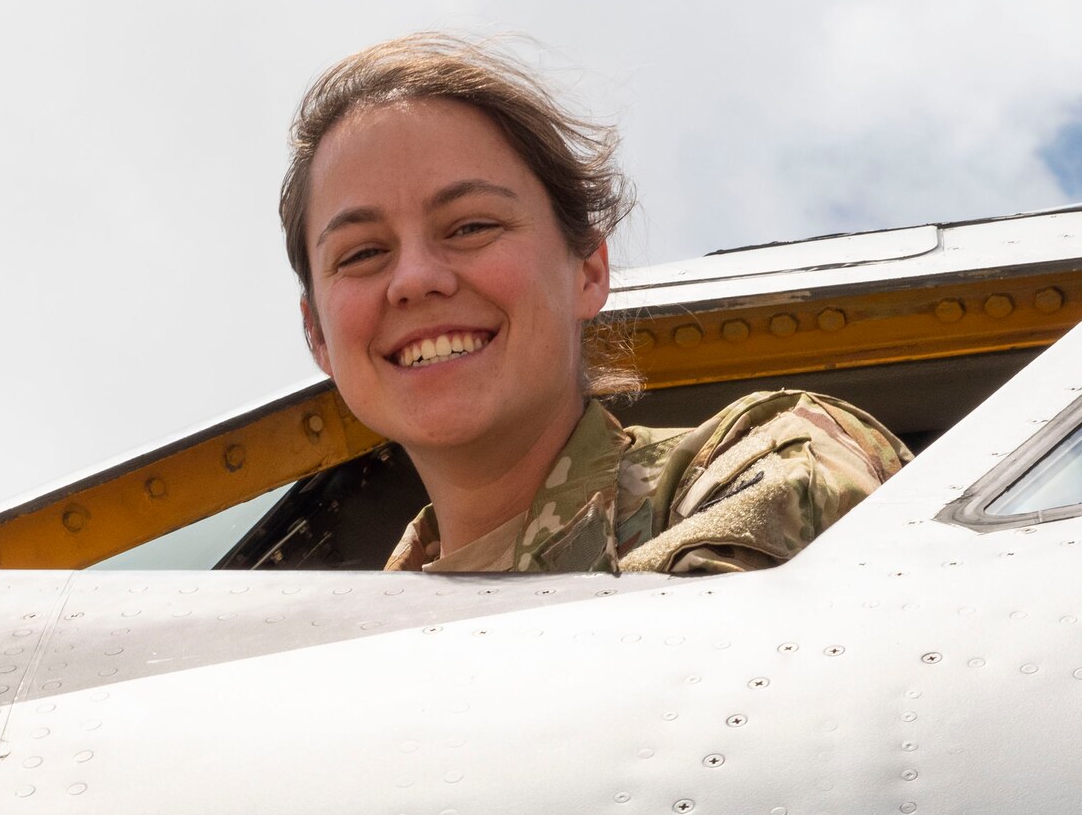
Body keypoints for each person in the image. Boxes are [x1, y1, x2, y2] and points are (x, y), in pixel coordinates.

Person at [278, 34, 910, 574]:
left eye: (471, 226)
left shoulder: (775, 458)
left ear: (587, 270)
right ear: (318, 337)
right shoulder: (328, 645)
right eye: (361, 254)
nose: (414, 278)